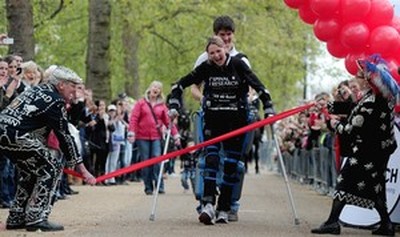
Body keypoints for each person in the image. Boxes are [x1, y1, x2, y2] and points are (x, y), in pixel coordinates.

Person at [168, 36, 274, 225]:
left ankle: (224, 207)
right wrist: (174, 104)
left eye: (218, 51)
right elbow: (179, 85)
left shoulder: (238, 64)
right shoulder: (206, 68)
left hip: (236, 123)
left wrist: (268, 108)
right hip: (213, 122)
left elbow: (259, 87)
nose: (216, 56)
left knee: (231, 166)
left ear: (225, 48)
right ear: (207, 55)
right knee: (211, 159)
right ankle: (208, 204)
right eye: (211, 53)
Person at [0, 66, 96, 232]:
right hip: (16, 135)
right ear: (61, 85)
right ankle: (37, 217)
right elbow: (64, 136)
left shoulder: (38, 90)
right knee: (51, 166)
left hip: (5, 132)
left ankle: (17, 216)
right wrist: (83, 169)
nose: (75, 91)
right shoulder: (55, 100)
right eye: (72, 86)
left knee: (30, 171)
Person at [311, 55, 398, 236]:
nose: (356, 78)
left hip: (368, 152)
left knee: (345, 182)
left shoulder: (373, 103)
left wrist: (334, 124)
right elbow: (352, 107)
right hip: (376, 150)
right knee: (377, 188)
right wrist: (327, 106)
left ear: (368, 80)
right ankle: (386, 225)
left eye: (360, 75)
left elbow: (351, 129)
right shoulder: (376, 97)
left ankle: (332, 222)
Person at [191, 14, 252, 222]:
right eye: (221, 35)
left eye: (228, 35)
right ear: (215, 36)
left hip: (235, 117)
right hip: (212, 115)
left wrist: (245, 101)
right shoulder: (204, 58)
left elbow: (251, 88)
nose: (225, 39)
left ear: (233, 35)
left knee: (234, 161)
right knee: (209, 157)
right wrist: (205, 99)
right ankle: (205, 202)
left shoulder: (241, 59)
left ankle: (230, 205)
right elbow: (194, 88)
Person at [128, 80, 180, 195]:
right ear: (150, 88)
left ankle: (159, 185)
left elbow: (168, 121)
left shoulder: (162, 106)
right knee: (146, 162)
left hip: (156, 136)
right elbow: (134, 118)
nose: (156, 89)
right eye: (154, 87)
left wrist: (175, 135)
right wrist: (131, 132)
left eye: (158, 88)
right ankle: (148, 187)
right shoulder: (141, 103)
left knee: (157, 159)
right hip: (142, 136)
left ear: (160, 91)